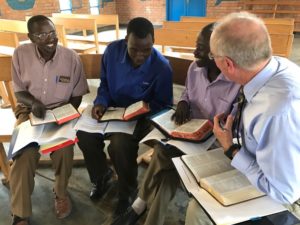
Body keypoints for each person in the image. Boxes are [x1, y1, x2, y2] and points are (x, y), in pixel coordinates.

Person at [111, 23, 241, 225]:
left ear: (219, 54)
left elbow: (232, 127)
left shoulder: (236, 82)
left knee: (164, 157)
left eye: (201, 48)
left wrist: (212, 131)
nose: (195, 51)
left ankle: (138, 205)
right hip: (188, 132)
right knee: (169, 167)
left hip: (213, 145)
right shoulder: (195, 69)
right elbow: (188, 93)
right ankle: (150, 220)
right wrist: (182, 102)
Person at [186, 11, 300, 224]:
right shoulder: (272, 67)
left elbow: (284, 192)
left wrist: (231, 149)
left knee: (198, 213)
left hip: (283, 197)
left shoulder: (277, 112)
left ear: (228, 64)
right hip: (264, 161)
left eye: (213, 58)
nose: (213, 62)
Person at [76, 17, 173, 217]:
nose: (139, 56)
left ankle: (127, 192)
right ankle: (101, 177)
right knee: (84, 134)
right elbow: (104, 84)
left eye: (146, 50)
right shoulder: (112, 52)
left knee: (119, 144)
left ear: (153, 42)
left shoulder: (161, 67)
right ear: (125, 39)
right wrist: (101, 102)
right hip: (111, 110)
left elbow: (163, 104)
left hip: (139, 118)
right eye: (134, 49)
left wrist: (143, 109)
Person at [10, 15, 89, 225]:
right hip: (29, 111)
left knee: (64, 149)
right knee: (23, 155)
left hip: (60, 111)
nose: (50, 39)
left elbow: (78, 94)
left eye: (52, 32)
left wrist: (66, 116)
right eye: (42, 34)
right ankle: (21, 212)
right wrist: (34, 103)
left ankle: (61, 193)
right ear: (31, 37)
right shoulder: (20, 54)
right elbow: (19, 92)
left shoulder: (71, 58)